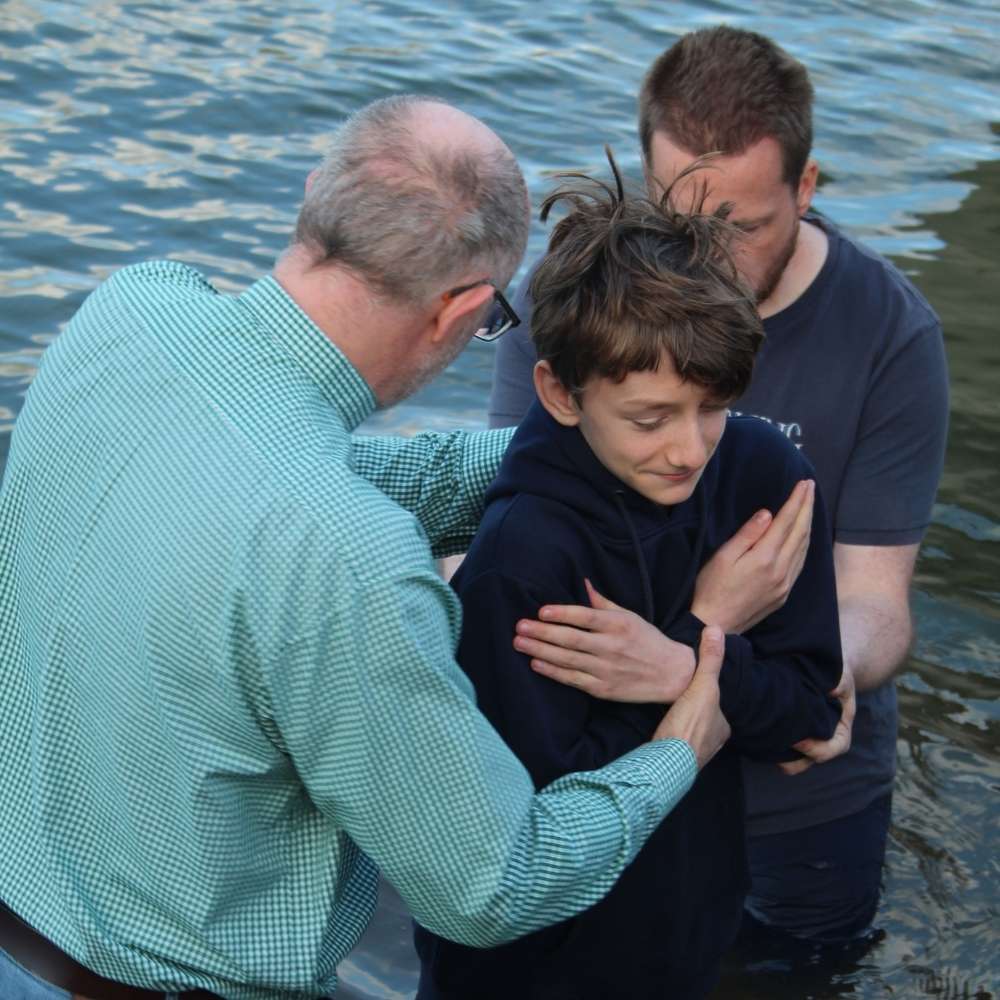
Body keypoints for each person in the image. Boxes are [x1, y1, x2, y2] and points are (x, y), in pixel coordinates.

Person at [0, 96, 732, 1000]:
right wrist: (679, 750)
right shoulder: (350, 559)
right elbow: (491, 886)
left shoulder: (133, 311)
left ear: (319, 195)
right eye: (491, 317)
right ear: (460, 311)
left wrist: (601, 441)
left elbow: (296, 483)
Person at [490, 26, 949, 945]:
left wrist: (773, 676)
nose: (701, 257)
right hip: (609, 779)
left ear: (806, 189)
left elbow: (875, 603)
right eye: (676, 214)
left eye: (738, 227)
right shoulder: (573, 307)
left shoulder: (892, 333)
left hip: (799, 799)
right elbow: (506, 533)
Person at [414, 155, 844, 1000]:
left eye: (712, 406)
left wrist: (685, 666)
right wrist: (708, 638)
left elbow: (811, 715)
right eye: (650, 419)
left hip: (688, 932)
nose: (689, 449)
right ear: (560, 392)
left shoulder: (764, 478)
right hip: (521, 973)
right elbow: (522, 834)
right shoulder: (521, 557)